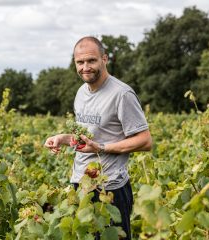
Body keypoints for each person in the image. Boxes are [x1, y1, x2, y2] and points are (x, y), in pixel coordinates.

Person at [44, 36, 152, 239]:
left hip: (109, 189)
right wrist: (63, 138)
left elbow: (145, 141)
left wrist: (101, 148)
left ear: (105, 59)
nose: (86, 67)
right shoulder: (81, 93)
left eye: (91, 60)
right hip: (80, 184)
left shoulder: (122, 94)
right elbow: (87, 138)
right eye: (80, 62)